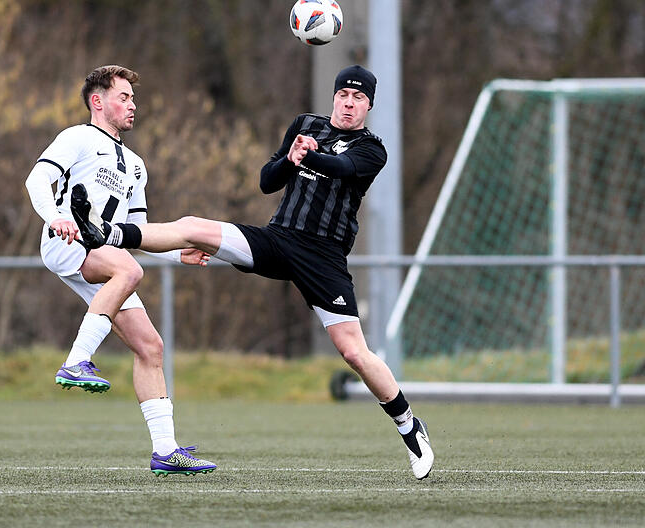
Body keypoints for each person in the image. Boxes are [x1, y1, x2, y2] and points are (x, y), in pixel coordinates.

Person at [81, 65, 433, 480]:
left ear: (369, 105)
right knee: (193, 227)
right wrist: (291, 158)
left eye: (358, 98)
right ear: (334, 96)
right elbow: (267, 181)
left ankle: (409, 426)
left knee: (355, 353)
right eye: (343, 95)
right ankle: (109, 232)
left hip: (323, 258)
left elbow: (340, 168)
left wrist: (308, 156)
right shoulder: (305, 125)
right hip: (277, 240)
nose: (349, 103)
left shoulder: (372, 148)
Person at [24, 64, 216, 476]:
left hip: (107, 255)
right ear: (97, 101)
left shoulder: (136, 165)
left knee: (151, 347)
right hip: (67, 241)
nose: (133, 105)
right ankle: (76, 361)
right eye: (124, 97)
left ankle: (166, 451)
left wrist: (176, 254)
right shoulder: (77, 137)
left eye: (133, 98)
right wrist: (57, 217)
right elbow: (36, 180)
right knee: (128, 271)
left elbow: (139, 233)